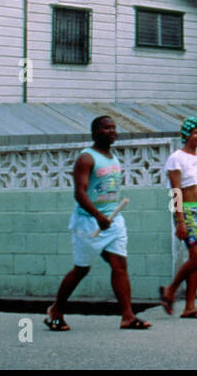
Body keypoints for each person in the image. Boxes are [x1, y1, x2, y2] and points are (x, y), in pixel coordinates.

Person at [45, 116, 151, 331]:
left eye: (113, 127)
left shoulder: (113, 157)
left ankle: (128, 316)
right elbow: (79, 192)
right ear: (95, 132)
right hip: (88, 223)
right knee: (81, 270)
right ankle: (55, 310)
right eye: (106, 128)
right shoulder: (86, 158)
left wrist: (107, 218)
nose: (112, 131)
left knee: (119, 266)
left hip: (114, 221)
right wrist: (97, 216)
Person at [159, 117, 197, 319]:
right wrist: (180, 220)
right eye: (196, 132)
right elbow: (176, 191)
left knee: (196, 260)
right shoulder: (176, 158)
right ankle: (171, 288)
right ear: (187, 134)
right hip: (188, 211)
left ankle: (190, 307)